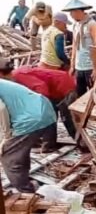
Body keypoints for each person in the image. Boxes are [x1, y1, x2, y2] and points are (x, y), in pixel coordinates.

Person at [0, 58, 56, 193]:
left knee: (9, 155)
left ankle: (26, 191)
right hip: (42, 108)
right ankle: (26, 181)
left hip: (32, 117)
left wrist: (7, 136)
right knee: (19, 150)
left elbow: (1, 109)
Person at [0, 63, 77, 139]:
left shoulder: (18, 75)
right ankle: (49, 143)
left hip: (63, 86)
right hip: (54, 90)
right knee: (51, 116)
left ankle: (79, 141)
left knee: (67, 117)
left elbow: (41, 87)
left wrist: (38, 104)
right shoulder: (15, 77)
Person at [62, 0, 96, 97]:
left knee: (94, 94)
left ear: (78, 11)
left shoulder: (92, 24)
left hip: (90, 65)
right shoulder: (76, 25)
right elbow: (75, 45)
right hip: (79, 66)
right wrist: (72, 65)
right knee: (80, 95)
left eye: (72, 12)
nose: (71, 15)